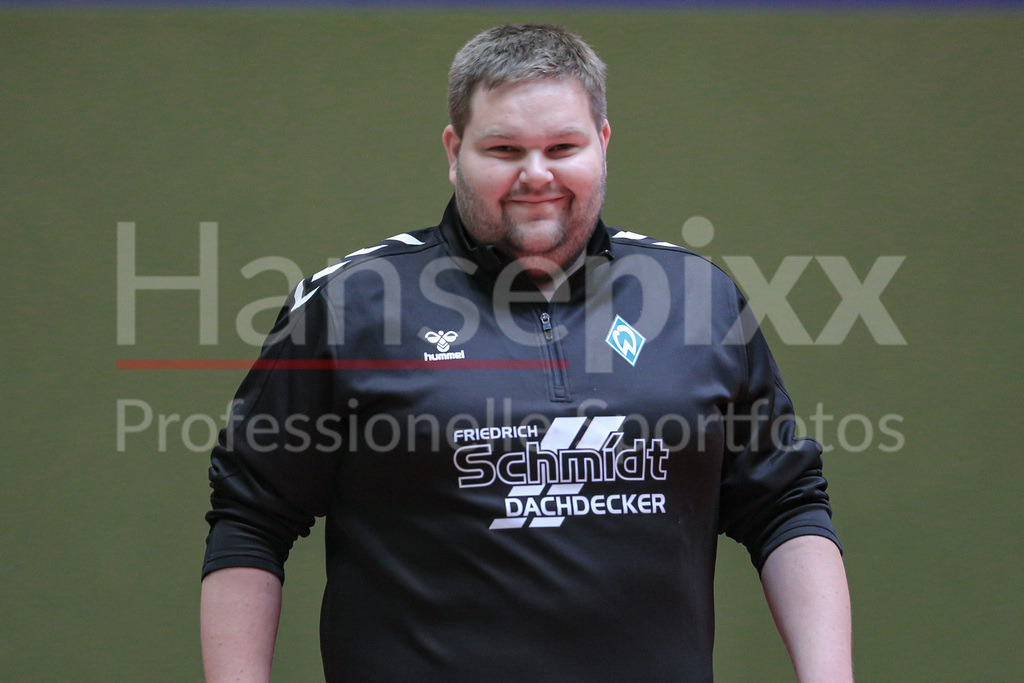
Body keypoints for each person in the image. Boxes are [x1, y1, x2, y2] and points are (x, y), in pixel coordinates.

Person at [201, 23, 852, 682]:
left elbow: (787, 503)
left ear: (602, 143)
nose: (535, 174)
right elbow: (250, 520)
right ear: (455, 151)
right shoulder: (350, 303)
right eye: (504, 148)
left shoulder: (699, 298)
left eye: (562, 146)